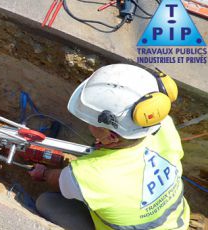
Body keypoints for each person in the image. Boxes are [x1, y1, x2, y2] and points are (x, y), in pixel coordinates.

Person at [28, 64, 190, 230]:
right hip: (177, 222)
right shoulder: (163, 124)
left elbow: (59, 182)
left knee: (46, 202)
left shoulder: (90, 175)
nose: (88, 125)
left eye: (91, 123)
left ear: (112, 137)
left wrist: (44, 173)